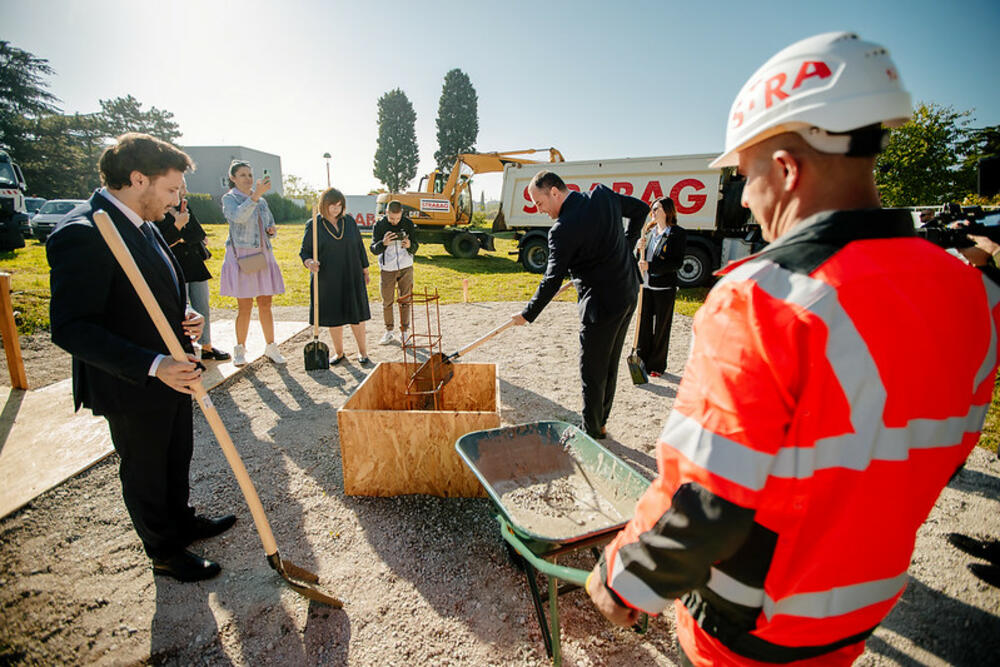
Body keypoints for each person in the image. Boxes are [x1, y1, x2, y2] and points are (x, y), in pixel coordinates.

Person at [584, 32, 1000, 665]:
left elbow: (704, 504)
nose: (746, 197)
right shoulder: (968, 291)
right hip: (860, 608)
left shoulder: (765, 298)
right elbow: (939, 454)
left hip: (750, 629)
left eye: (747, 176)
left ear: (785, 167)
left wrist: (621, 578)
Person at [47, 133, 236, 583]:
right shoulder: (84, 233)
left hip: (173, 371)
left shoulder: (141, 221)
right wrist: (154, 365)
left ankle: (181, 521)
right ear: (137, 179)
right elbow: (72, 327)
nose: (175, 202)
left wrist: (183, 313)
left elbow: (149, 287)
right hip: (131, 380)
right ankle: (165, 551)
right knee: (146, 466)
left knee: (175, 454)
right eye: (171, 190)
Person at [510, 171, 649, 440]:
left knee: (592, 369)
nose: (539, 210)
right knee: (609, 363)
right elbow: (641, 210)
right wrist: (626, 247)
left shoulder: (562, 230)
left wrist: (528, 314)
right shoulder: (603, 196)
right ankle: (602, 421)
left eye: (539, 203)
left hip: (601, 305)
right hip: (628, 292)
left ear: (554, 192)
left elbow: (551, 280)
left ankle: (593, 431)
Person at [154, 179, 230, 361]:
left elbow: (199, 234)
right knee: (181, 310)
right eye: (180, 186)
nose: (185, 190)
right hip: (174, 266)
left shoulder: (186, 207)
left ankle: (207, 346)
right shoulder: (158, 211)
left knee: (202, 306)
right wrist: (179, 227)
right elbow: (161, 240)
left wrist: (180, 234)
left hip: (194, 265)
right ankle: (185, 350)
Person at [220, 161, 286, 366]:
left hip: (262, 254)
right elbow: (238, 217)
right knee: (245, 305)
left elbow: (270, 223)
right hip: (243, 255)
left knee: (266, 303)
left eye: (249, 174)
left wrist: (271, 230)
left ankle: (271, 346)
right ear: (233, 178)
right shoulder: (229, 198)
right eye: (242, 175)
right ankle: (240, 348)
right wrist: (255, 196)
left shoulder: (262, 201)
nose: (248, 178)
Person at [299, 187, 371, 365]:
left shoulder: (350, 222)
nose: (336, 209)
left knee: (357, 315)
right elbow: (305, 252)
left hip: (351, 274)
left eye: (339, 205)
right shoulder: (314, 225)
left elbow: (360, 247)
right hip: (328, 278)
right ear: (324, 205)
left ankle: (363, 353)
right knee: (334, 317)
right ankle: (339, 353)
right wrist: (309, 262)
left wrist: (365, 270)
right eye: (332, 205)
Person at [635, 196, 687, 377]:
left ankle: (656, 365)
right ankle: (641, 359)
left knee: (661, 327)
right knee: (644, 324)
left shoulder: (676, 234)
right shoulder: (648, 233)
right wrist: (638, 248)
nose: (653, 212)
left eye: (656, 208)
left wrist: (652, 266)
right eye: (652, 209)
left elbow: (676, 263)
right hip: (646, 286)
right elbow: (639, 259)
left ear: (666, 210)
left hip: (664, 287)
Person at [370, 200, 418, 345]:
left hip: (406, 267)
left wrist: (410, 246)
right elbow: (373, 249)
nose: (395, 222)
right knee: (387, 301)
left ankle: (404, 332)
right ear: (386, 213)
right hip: (387, 269)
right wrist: (383, 244)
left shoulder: (408, 224)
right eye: (391, 218)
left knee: (405, 301)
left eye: (397, 218)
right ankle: (389, 331)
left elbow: (416, 246)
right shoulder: (379, 225)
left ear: (401, 213)